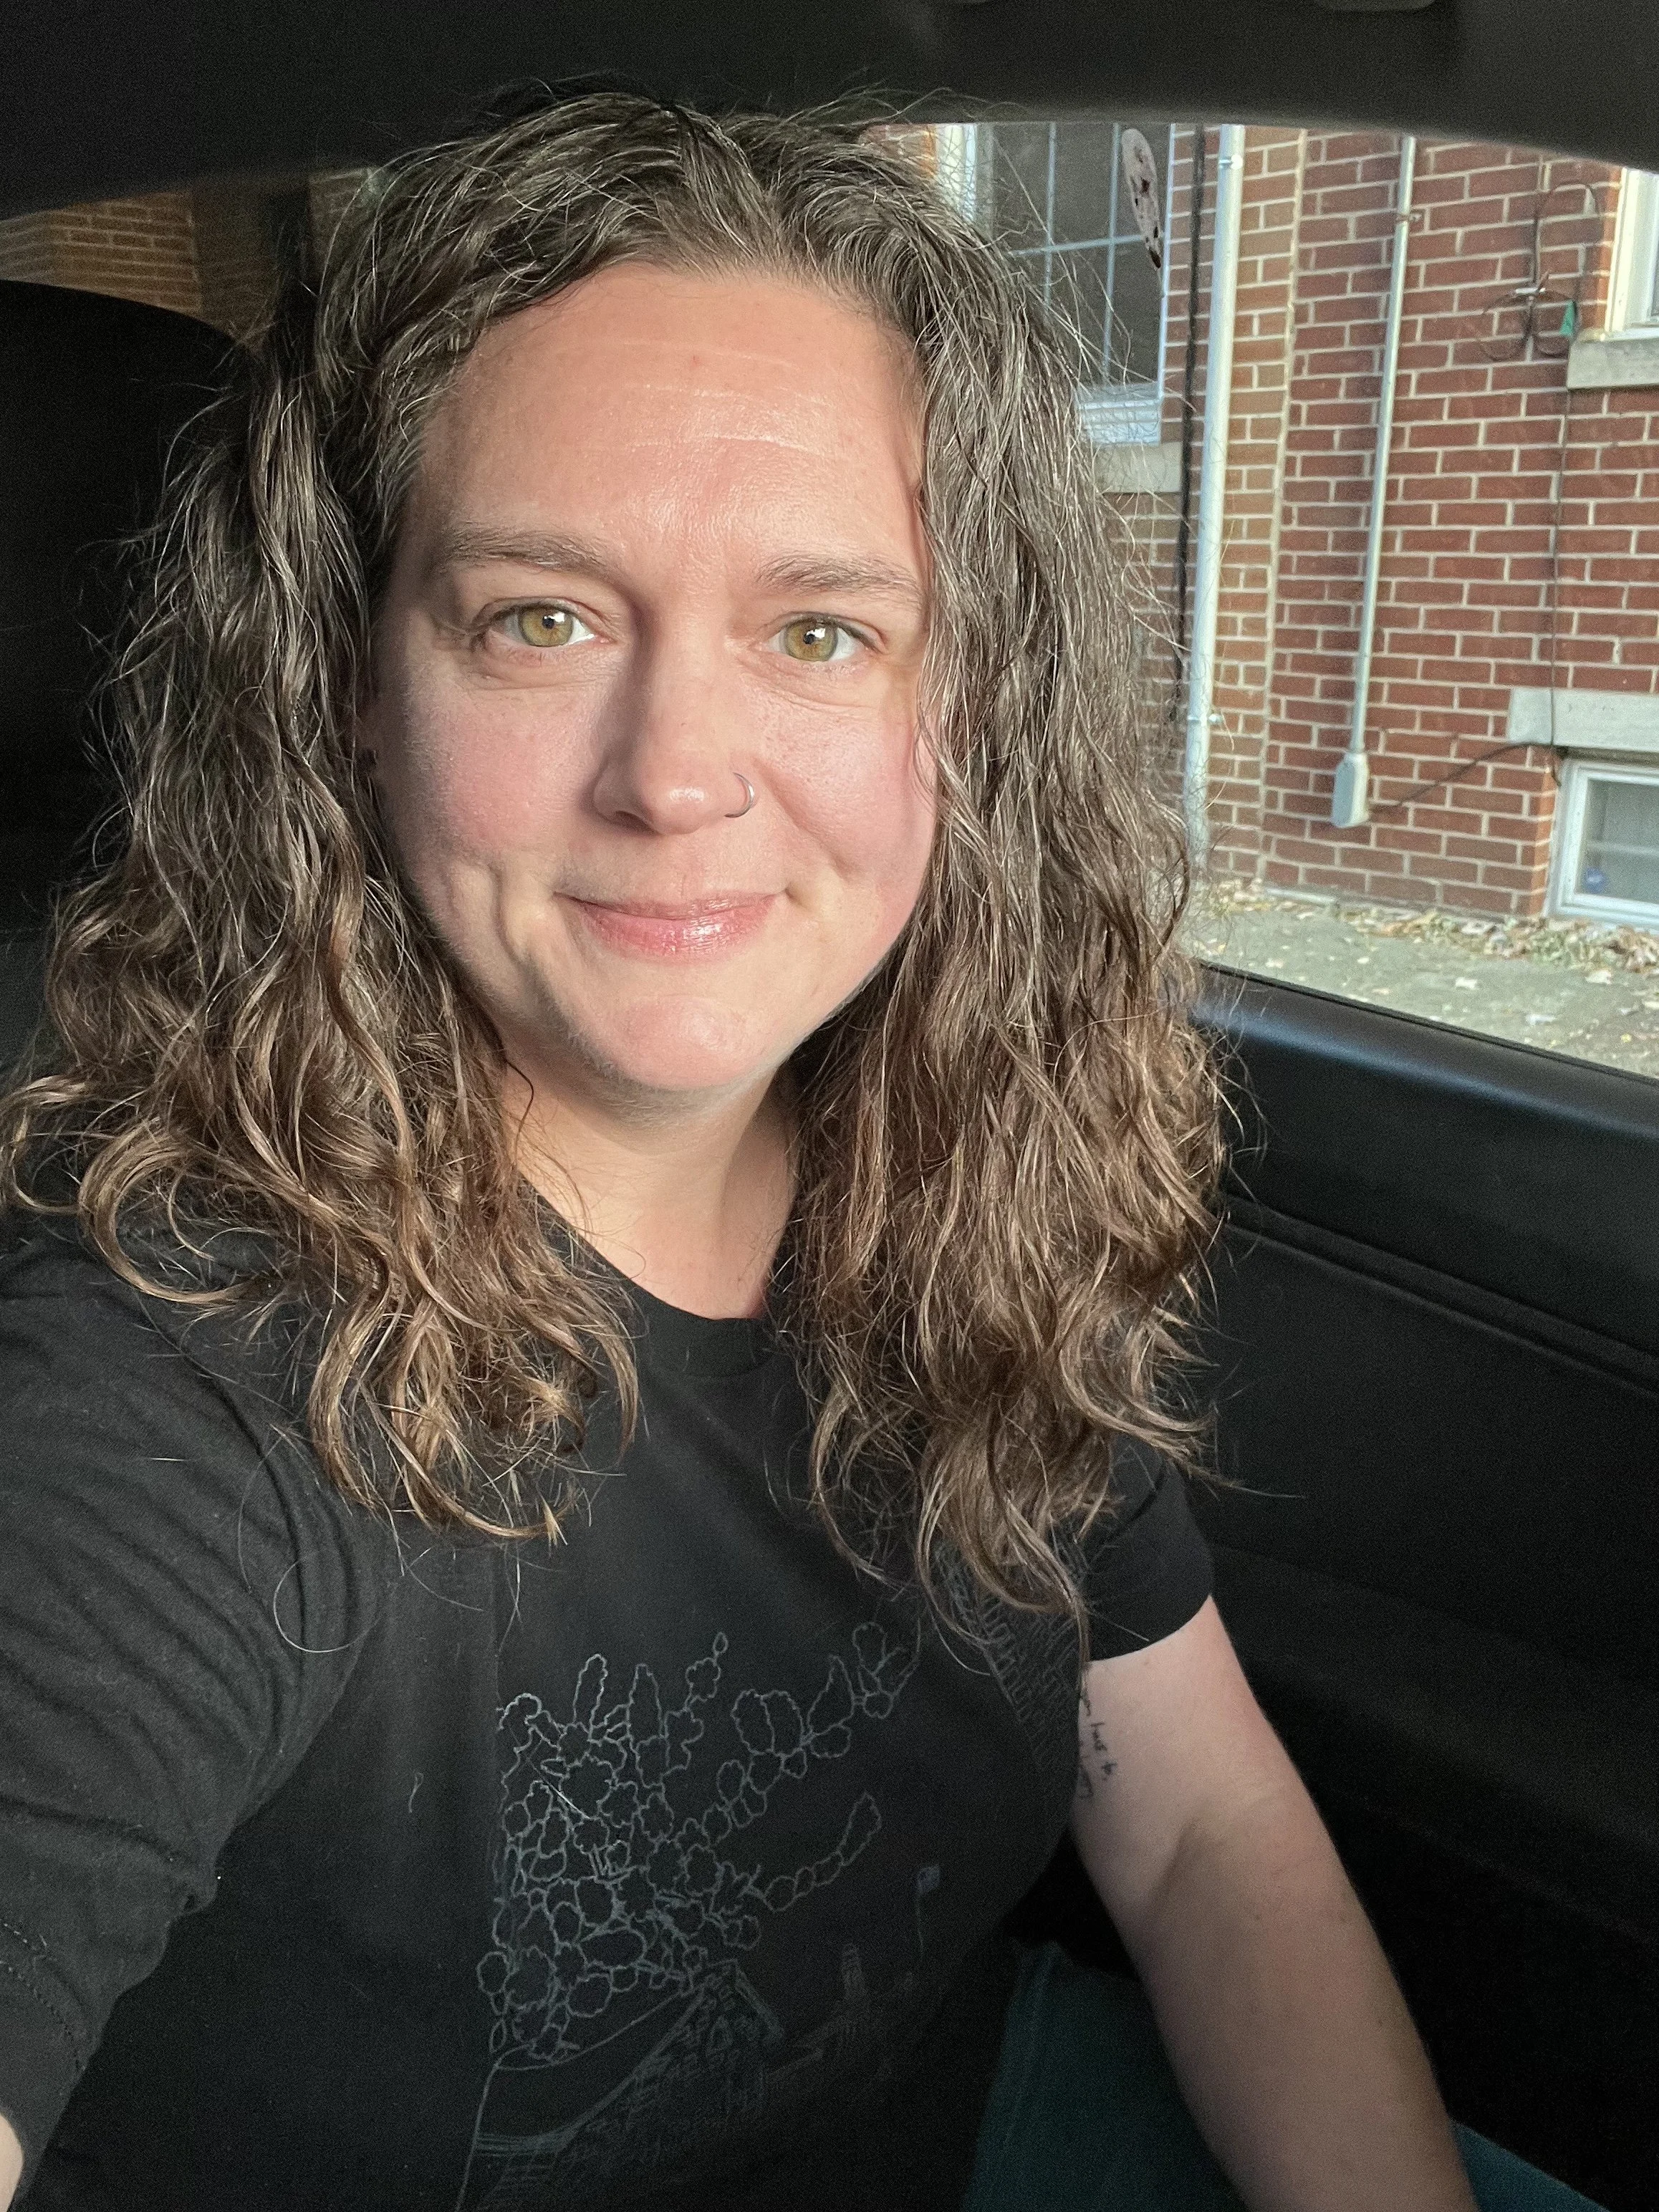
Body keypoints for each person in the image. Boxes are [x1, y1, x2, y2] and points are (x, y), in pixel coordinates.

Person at [0, 95, 1603, 2212]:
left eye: (818, 630)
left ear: (962, 717)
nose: (675, 775)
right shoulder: (167, 1396)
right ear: (352, 698)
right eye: (537, 618)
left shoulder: (955, 1200)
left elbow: (1198, 1826)